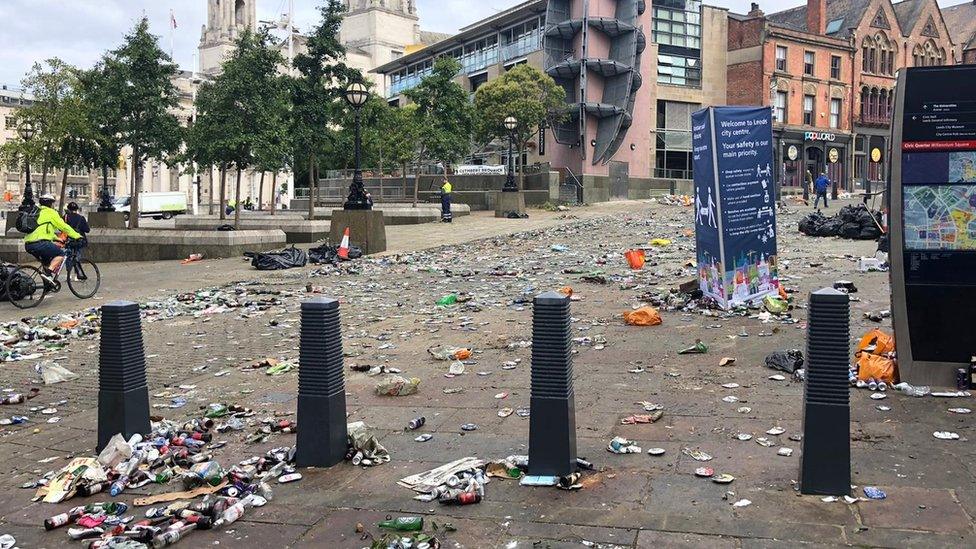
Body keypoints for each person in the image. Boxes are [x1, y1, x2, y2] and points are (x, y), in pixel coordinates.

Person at [24, 194, 82, 276]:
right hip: (41, 243)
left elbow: (42, 230)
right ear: (50, 204)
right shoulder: (51, 212)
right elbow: (64, 226)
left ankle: (47, 284)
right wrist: (77, 236)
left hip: (28, 244)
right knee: (61, 254)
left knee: (47, 262)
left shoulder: (36, 212)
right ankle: (47, 274)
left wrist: (56, 238)